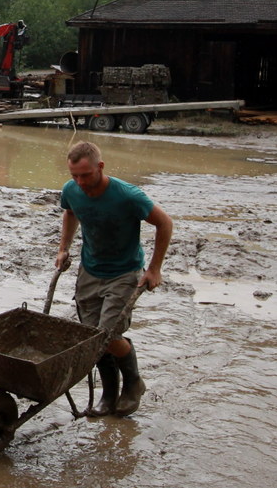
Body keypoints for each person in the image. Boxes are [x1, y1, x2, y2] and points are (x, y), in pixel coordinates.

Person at [56, 141, 173, 418]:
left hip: (123, 272)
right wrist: (63, 248)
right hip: (90, 270)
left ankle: (133, 384)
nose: (80, 182)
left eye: (85, 175)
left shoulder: (128, 195)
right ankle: (109, 396)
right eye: (75, 175)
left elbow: (164, 223)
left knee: (106, 335)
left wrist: (154, 269)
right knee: (92, 336)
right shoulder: (71, 190)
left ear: (100, 166)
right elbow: (71, 212)